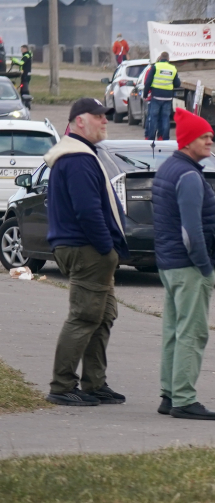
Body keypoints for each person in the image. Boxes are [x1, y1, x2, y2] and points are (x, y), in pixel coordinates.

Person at [43, 98, 129, 407]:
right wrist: (106, 248)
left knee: (102, 315)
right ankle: (62, 385)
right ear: (80, 121)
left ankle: (94, 383)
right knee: (84, 317)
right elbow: (87, 210)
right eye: (98, 116)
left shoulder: (80, 155)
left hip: (86, 248)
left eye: (105, 116)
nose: (104, 121)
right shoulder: (77, 158)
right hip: (87, 249)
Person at [153, 109, 215, 421]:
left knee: (174, 329)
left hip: (169, 264)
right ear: (187, 142)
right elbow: (191, 230)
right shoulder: (188, 176)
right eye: (204, 136)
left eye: (211, 135)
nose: (210, 140)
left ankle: (170, 394)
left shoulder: (169, 169)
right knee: (192, 332)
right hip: (189, 267)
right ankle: (183, 398)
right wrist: (206, 267)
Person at [143, 52, 180, 141]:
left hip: (156, 96)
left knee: (153, 118)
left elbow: (148, 82)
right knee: (165, 118)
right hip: (168, 97)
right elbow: (177, 84)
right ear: (168, 59)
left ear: (160, 58)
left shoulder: (155, 67)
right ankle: (164, 138)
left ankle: (151, 138)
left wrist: (145, 94)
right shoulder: (173, 68)